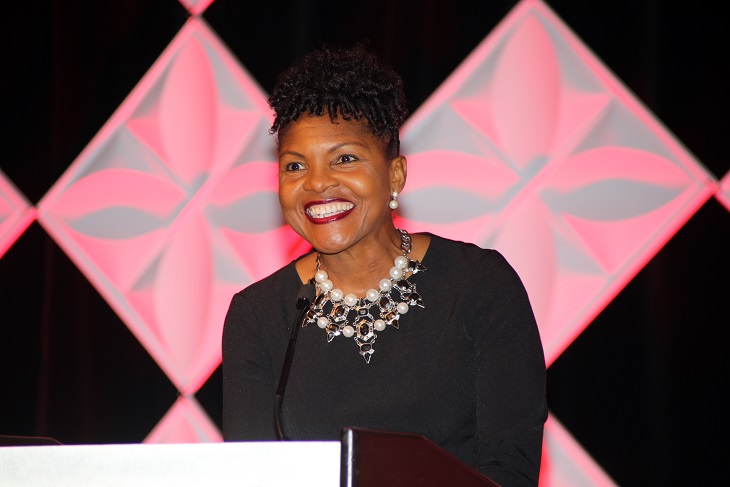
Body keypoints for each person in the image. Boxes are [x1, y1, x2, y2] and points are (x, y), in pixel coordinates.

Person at [222, 44, 547, 486]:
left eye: (345, 159)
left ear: (396, 174)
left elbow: (509, 471)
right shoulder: (258, 316)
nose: (317, 183)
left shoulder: (479, 285)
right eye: (295, 166)